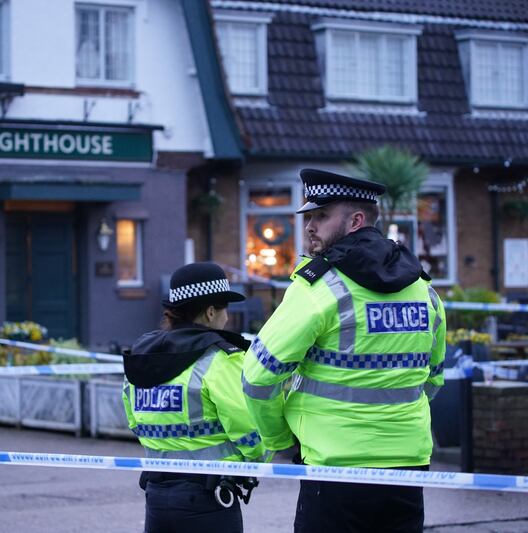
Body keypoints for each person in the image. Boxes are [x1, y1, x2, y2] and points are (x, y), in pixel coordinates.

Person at [241, 169, 447, 533]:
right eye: (309, 216)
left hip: (333, 467)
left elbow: (258, 376)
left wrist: (280, 440)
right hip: (407, 464)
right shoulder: (423, 290)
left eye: (321, 216)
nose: (309, 226)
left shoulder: (319, 288)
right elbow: (433, 377)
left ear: (355, 220)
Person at [122, 262, 268, 533]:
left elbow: (134, 421)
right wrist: (256, 462)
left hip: (156, 493)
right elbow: (251, 430)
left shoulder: (144, 357)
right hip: (207, 499)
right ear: (211, 312)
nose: (227, 318)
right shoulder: (219, 360)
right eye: (225, 309)